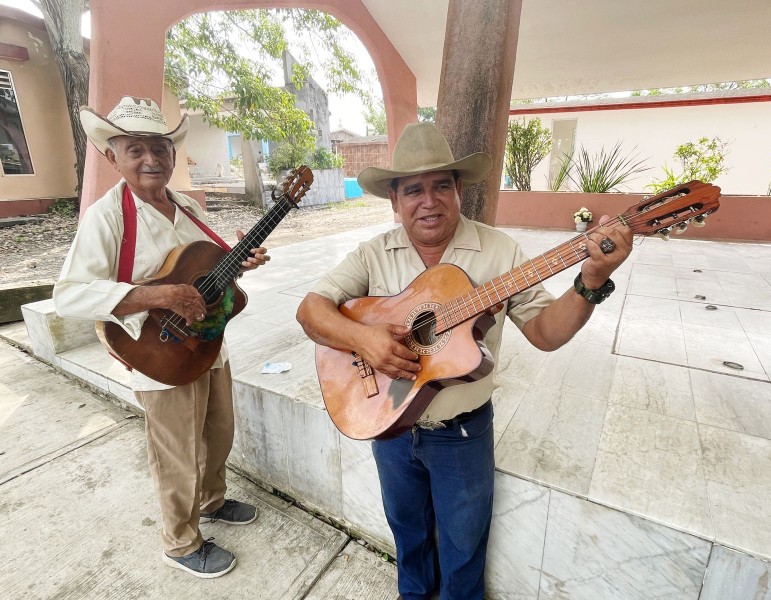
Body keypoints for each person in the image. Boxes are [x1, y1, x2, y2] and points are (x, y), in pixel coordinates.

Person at [296, 122, 632, 600]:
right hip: (389, 425)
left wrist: (591, 280)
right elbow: (310, 311)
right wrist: (364, 339)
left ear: (459, 192)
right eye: (413, 190)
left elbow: (545, 333)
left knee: (463, 548)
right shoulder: (372, 254)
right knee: (408, 538)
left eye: (441, 187)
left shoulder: (499, 251)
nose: (428, 201)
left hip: (462, 435)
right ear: (395, 200)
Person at [54, 96, 268, 578]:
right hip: (159, 352)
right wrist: (160, 296)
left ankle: (212, 501)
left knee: (219, 432)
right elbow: (69, 295)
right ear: (113, 156)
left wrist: (238, 260)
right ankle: (180, 541)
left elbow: (208, 274)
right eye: (136, 149)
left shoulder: (187, 205)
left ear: (173, 155)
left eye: (160, 148)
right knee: (178, 452)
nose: (151, 159)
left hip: (208, 344)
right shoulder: (107, 217)